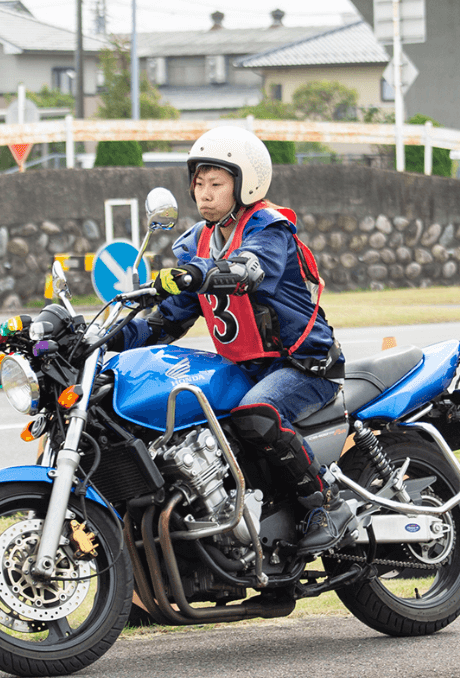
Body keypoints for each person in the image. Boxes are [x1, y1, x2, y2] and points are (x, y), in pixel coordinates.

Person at [112, 126, 352, 554]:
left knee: (256, 413)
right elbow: (167, 321)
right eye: (199, 184)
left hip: (301, 366)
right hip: (247, 369)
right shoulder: (198, 243)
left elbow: (247, 269)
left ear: (246, 185)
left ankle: (326, 505)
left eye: (216, 184)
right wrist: (108, 340)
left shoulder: (270, 230)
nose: (204, 194)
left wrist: (197, 274)